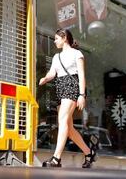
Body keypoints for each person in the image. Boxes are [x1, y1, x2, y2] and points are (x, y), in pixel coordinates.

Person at [39, 28, 97, 168]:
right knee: (69, 129)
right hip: (60, 88)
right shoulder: (56, 57)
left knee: (63, 120)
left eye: (56, 38)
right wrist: (45, 79)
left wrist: (82, 95)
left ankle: (56, 159)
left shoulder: (77, 54)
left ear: (64, 38)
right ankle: (89, 153)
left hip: (72, 87)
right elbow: (52, 73)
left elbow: (81, 76)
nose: (54, 41)